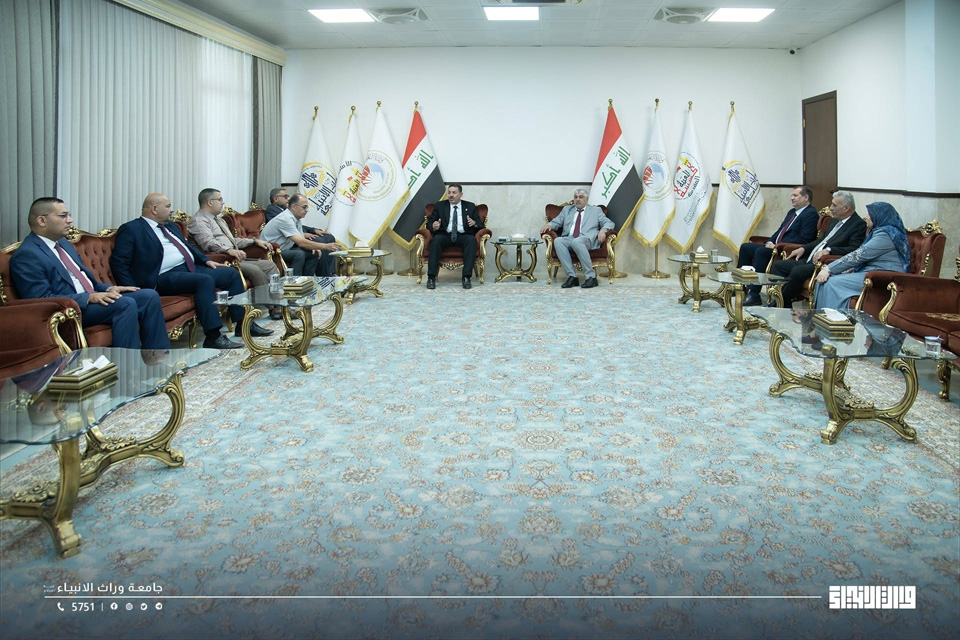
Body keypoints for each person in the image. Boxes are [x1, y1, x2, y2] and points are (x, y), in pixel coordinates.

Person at [110, 193, 273, 350]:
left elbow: (186, 247)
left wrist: (206, 260)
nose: (172, 210)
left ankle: (244, 323)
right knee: (204, 281)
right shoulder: (132, 229)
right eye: (168, 206)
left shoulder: (170, 226)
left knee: (230, 273)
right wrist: (133, 289)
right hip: (162, 276)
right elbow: (119, 262)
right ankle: (213, 336)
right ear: (154, 209)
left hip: (188, 268)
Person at [10, 197, 170, 350]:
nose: (70, 220)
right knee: (125, 304)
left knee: (148, 296)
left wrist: (109, 289)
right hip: (71, 310)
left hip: (90, 299)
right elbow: (41, 299)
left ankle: (158, 357)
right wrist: (88, 298)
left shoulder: (63, 244)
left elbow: (86, 281)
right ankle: (127, 364)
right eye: (63, 216)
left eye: (69, 215)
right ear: (42, 221)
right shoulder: (28, 255)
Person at [188, 188, 283, 320]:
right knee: (255, 270)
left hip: (235, 257)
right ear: (210, 202)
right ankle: (273, 307)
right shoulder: (199, 221)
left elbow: (233, 241)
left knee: (269, 266)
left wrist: (254, 241)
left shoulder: (219, 220)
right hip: (220, 261)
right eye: (220, 199)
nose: (223, 202)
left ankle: (279, 302)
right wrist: (228, 250)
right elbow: (208, 244)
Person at [768, 190, 867, 307]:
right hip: (810, 258)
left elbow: (853, 249)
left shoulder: (858, 224)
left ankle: (777, 305)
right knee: (779, 265)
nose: (831, 208)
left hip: (825, 263)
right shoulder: (835, 220)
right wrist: (803, 249)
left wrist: (829, 250)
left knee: (797, 271)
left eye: (834, 205)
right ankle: (784, 303)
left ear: (846, 208)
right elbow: (821, 241)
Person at [814, 202, 911, 310]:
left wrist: (829, 269)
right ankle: (820, 317)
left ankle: (837, 318)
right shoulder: (878, 231)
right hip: (870, 272)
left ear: (879, 216)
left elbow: (860, 255)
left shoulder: (886, 235)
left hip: (882, 277)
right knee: (823, 281)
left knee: (831, 283)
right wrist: (852, 268)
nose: (866, 217)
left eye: (869, 214)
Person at [739, 185, 819, 305]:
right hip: (775, 246)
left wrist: (778, 245)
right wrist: (770, 242)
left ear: (806, 197)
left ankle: (754, 294)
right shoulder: (792, 212)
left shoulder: (811, 214)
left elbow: (804, 239)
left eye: (795, 195)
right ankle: (740, 287)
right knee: (745, 247)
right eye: (791, 195)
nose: (792, 198)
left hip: (786, 250)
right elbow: (780, 231)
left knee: (761, 252)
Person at [539, 188, 613, 289]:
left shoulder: (596, 211)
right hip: (570, 238)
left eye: (581, 197)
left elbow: (609, 222)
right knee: (558, 241)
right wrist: (549, 225)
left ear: (586, 199)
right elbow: (556, 222)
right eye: (576, 197)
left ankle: (591, 277)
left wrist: (603, 230)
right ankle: (572, 277)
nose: (578, 199)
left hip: (587, 239)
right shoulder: (567, 210)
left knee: (577, 242)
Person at [261, 193, 341, 276]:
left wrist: (314, 247)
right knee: (299, 254)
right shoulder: (285, 219)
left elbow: (302, 239)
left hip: (284, 248)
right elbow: (301, 243)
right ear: (293, 207)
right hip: (271, 251)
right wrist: (326, 246)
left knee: (314, 253)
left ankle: (308, 280)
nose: (307, 210)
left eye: (307, 207)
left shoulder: (296, 219)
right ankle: (295, 281)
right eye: (304, 207)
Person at [425, 184, 484, 290]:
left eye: (454, 193)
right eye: (449, 192)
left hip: (463, 235)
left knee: (471, 240)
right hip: (445, 235)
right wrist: (433, 225)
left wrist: (474, 223)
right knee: (436, 240)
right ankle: (431, 277)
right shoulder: (440, 206)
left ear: (461, 194)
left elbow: (480, 224)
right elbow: (429, 223)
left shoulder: (470, 206)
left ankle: (466, 277)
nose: (451, 195)